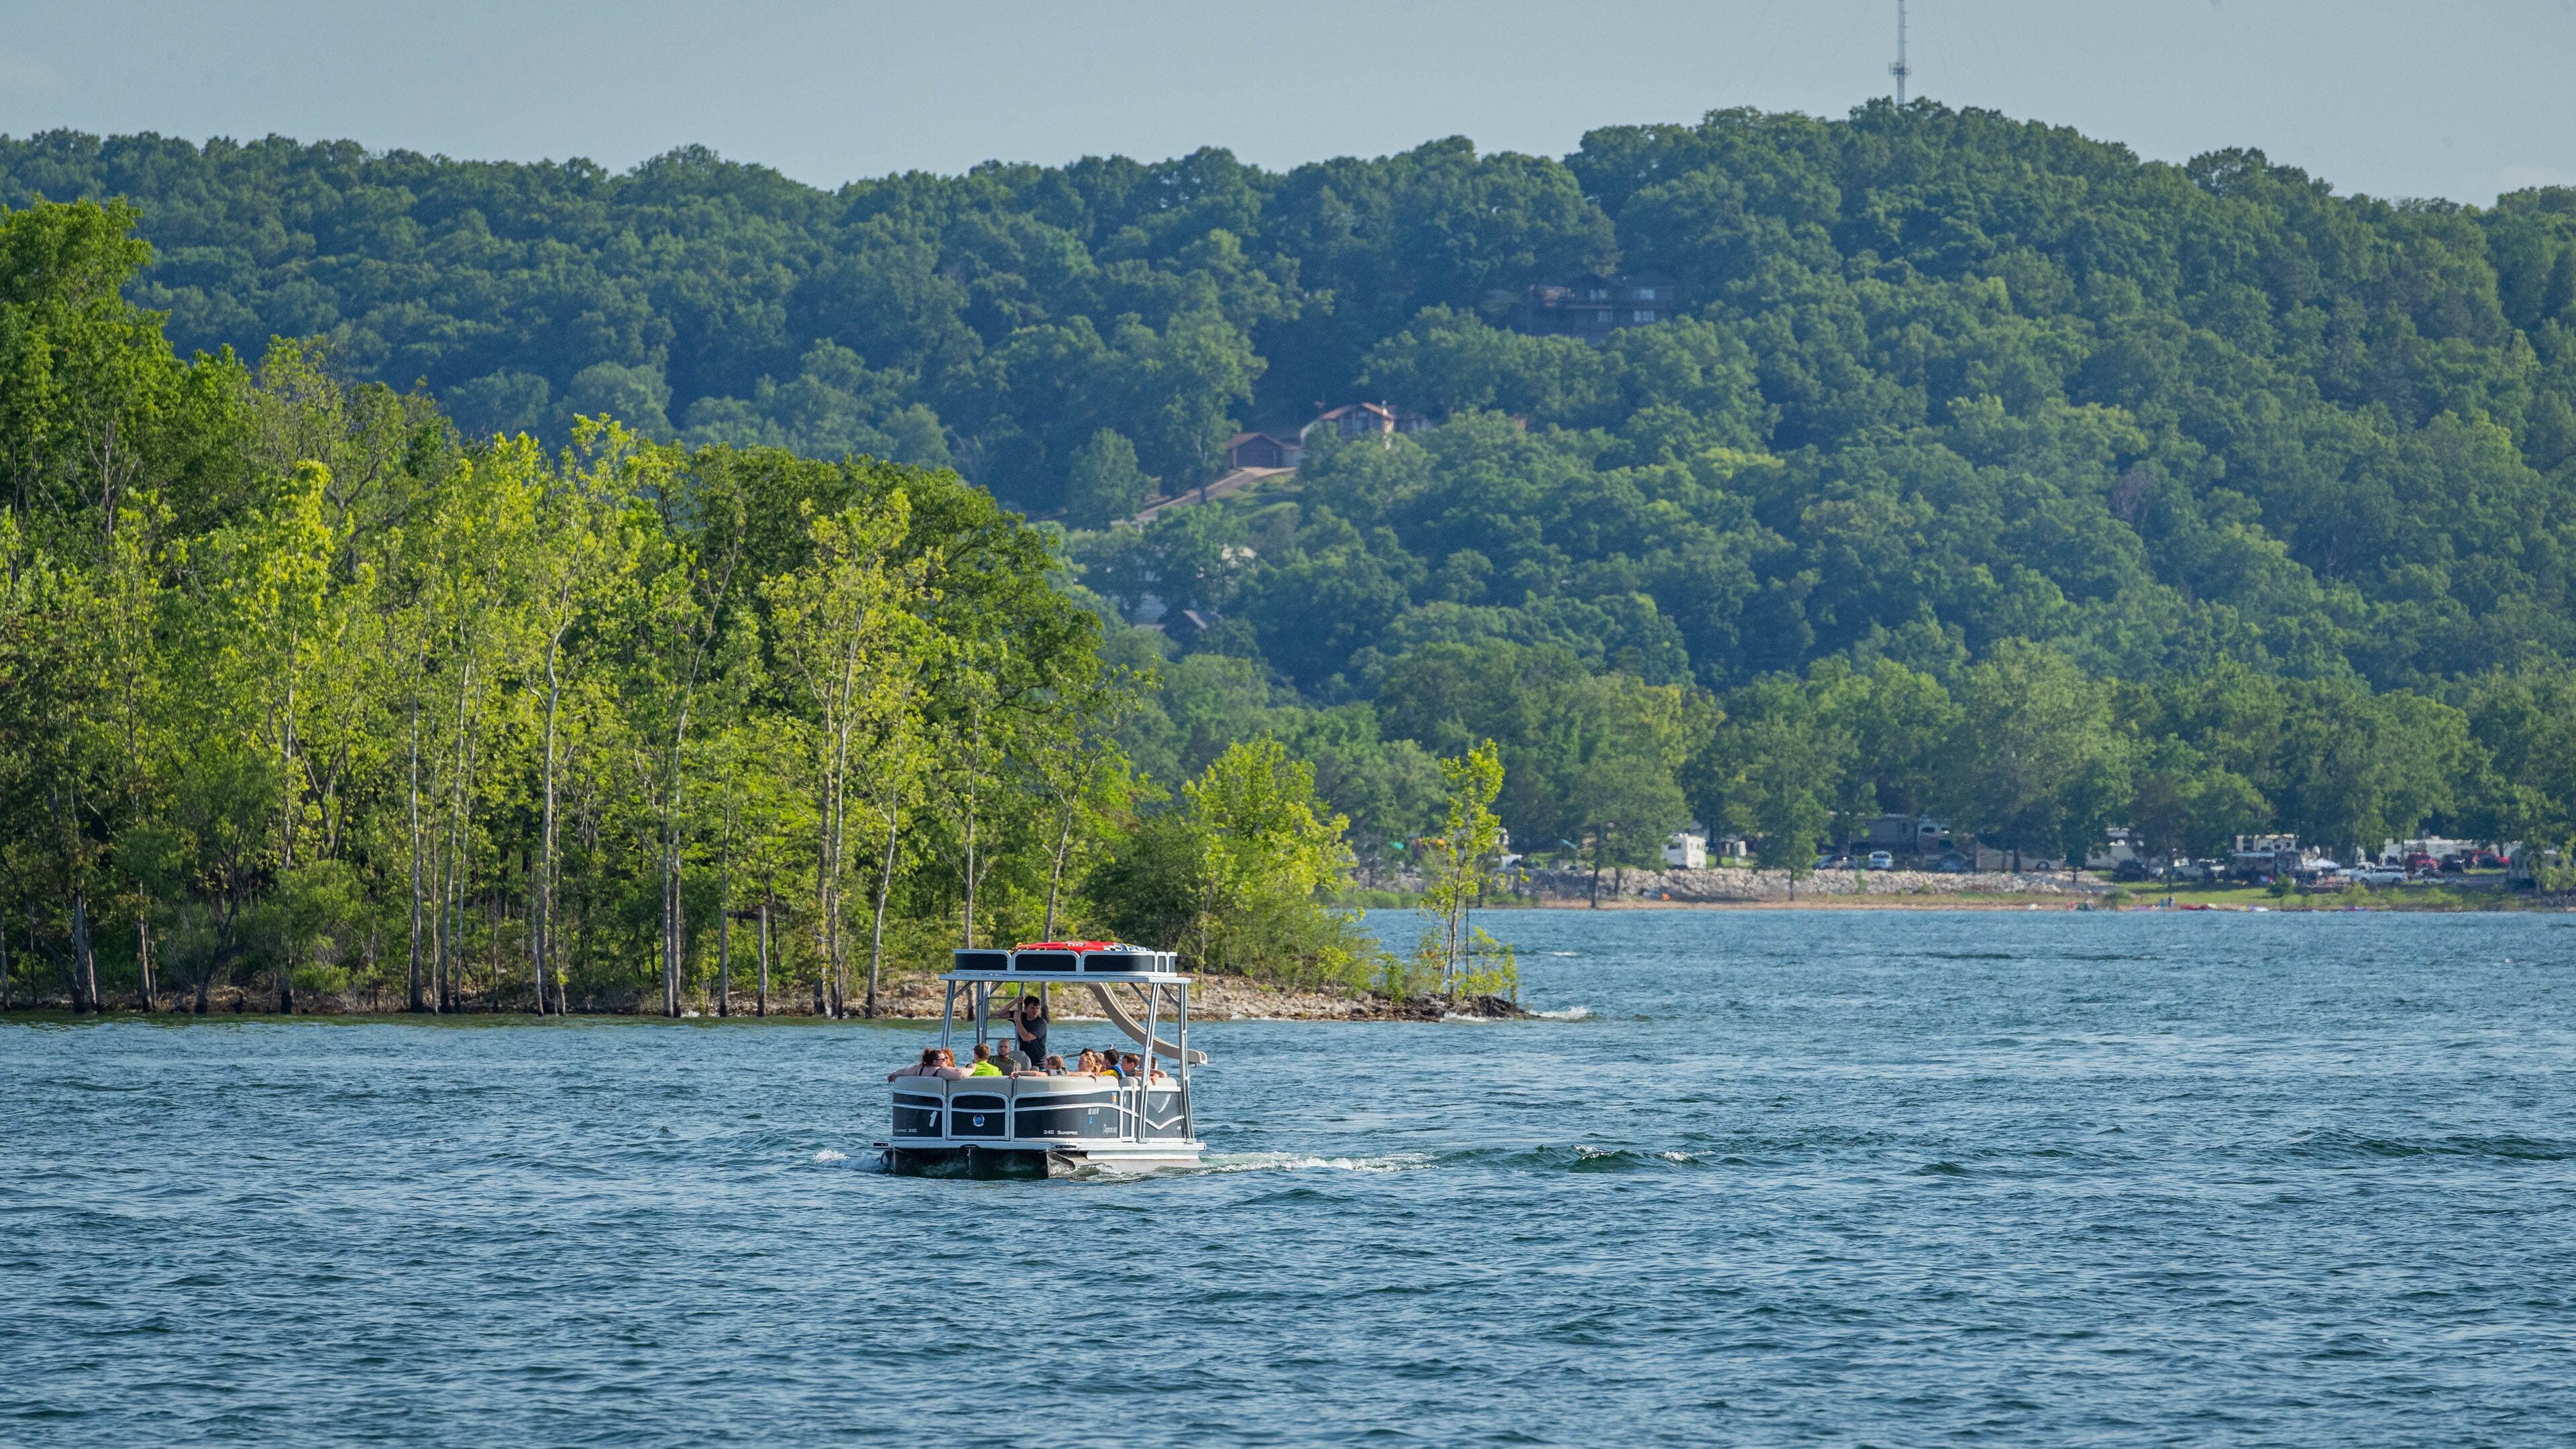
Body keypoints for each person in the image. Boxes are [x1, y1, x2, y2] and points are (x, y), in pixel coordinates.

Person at [1013, 990, 1050, 1068]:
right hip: (1024, 1060)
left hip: (1039, 1062)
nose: (1035, 1011)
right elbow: (1001, 1013)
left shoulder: (1041, 1023)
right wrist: (1014, 1001)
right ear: (1026, 1008)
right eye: (1032, 1008)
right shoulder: (1021, 1016)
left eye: (1038, 1008)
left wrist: (1017, 1021)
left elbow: (1026, 1037)